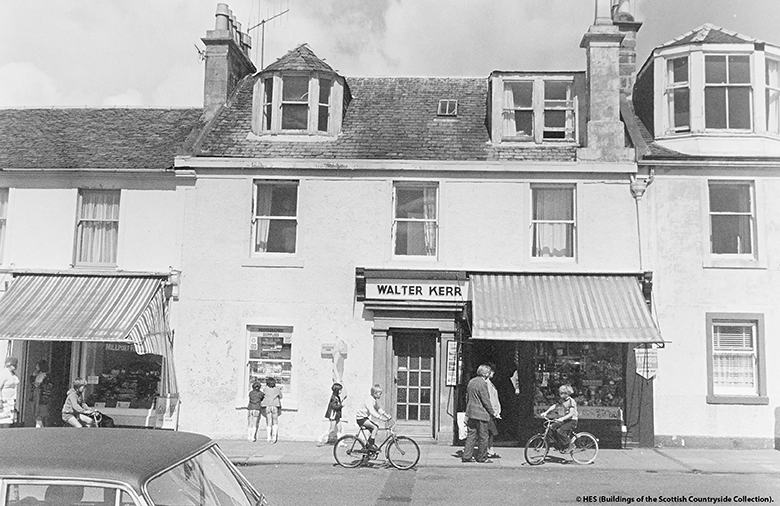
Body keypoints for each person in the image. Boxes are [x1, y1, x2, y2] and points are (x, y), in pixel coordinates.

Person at [462, 364, 495, 463]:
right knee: (483, 436)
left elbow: (467, 397)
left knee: (471, 435)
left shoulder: (471, 382)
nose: (489, 374)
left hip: (471, 412)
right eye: (488, 373)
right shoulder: (482, 383)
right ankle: (482, 457)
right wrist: (492, 412)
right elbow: (485, 400)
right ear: (485, 374)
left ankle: (467, 456)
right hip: (481, 413)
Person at [354, 384, 391, 451]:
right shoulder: (369, 400)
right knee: (375, 427)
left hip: (365, 418)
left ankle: (368, 446)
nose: (380, 395)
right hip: (361, 419)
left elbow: (378, 408)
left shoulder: (373, 400)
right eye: (380, 394)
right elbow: (372, 411)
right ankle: (371, 445)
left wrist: (386, 415)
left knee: (374, 428)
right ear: (374, 394)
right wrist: (381, 418)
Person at [541, 384, 578, 450]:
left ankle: (570, 445)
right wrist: (546, 412)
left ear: (567, 393)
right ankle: (557, 444)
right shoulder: (562, 400)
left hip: (572, 420)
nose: (560, 394)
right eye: (560, 392)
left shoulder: (571, 401)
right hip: (565, 420)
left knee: (560, 431)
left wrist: (562, 419)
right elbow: (555, 406)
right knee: (551, 427)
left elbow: (571, 413)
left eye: (562, 392)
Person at [29, 360, 54, 428]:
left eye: (37, 366)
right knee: (35, 409)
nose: (36, 367)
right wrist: (34, 375)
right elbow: (32, 382)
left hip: (42, 395)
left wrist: (40, 385)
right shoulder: (37, 374)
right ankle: (40, 424)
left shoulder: (47, 375)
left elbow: (47, 386)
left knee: (40, 411)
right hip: (36, 395)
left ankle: (39, 423)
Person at [486, 364, 502, 459]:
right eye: (492, 371)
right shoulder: (487, 384)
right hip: (491, 412)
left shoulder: (489, 383)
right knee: (490, 432)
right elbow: (490, 399)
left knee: (490, 432)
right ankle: (489, 450)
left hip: (492, 411)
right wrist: (494, 412)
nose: (493, 373)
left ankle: (489, 449)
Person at [261, 377, 282, 443]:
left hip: (267, 405)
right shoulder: (277, 389)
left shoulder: (265, 389)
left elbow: (262, 395)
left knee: (269, 421)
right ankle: (274, 437)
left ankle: (268, 437)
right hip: (275, 405)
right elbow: (281, 396)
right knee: (275, 421)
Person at [0, 357, 20, 428]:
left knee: (9, 421)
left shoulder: (13, 374)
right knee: (3, 420)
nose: (16, 366)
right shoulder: (4, 373)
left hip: (11, 401)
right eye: (14, 365)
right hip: (4, 401)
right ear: (9, 365)